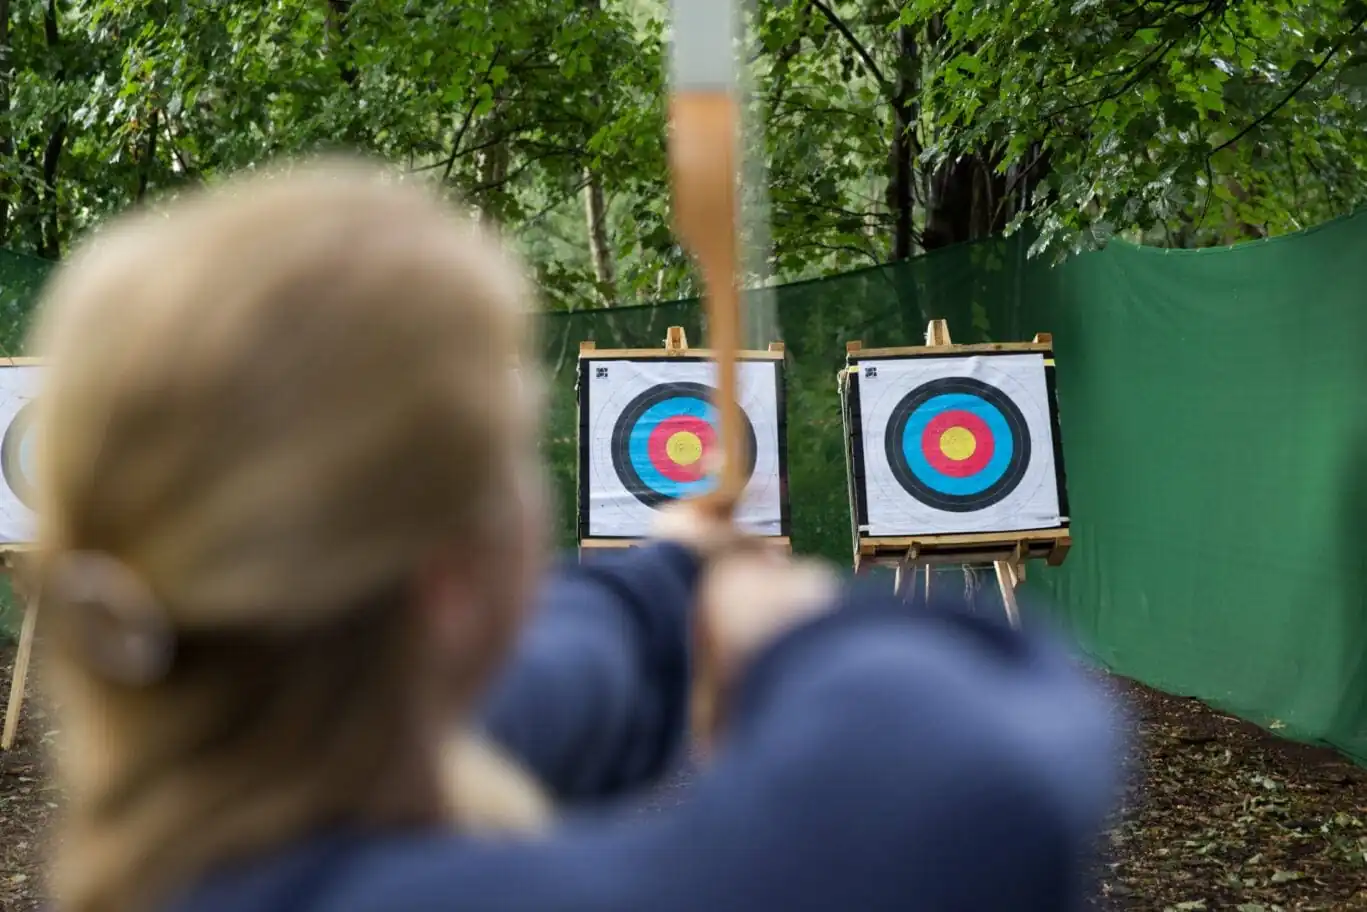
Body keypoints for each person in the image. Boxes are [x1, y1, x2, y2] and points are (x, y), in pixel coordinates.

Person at [30, 160, 1122, 912]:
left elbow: (549, 678)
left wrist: (671, 584)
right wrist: (797, 631)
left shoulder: (216, 822)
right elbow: (980, 775)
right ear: (449, 580)